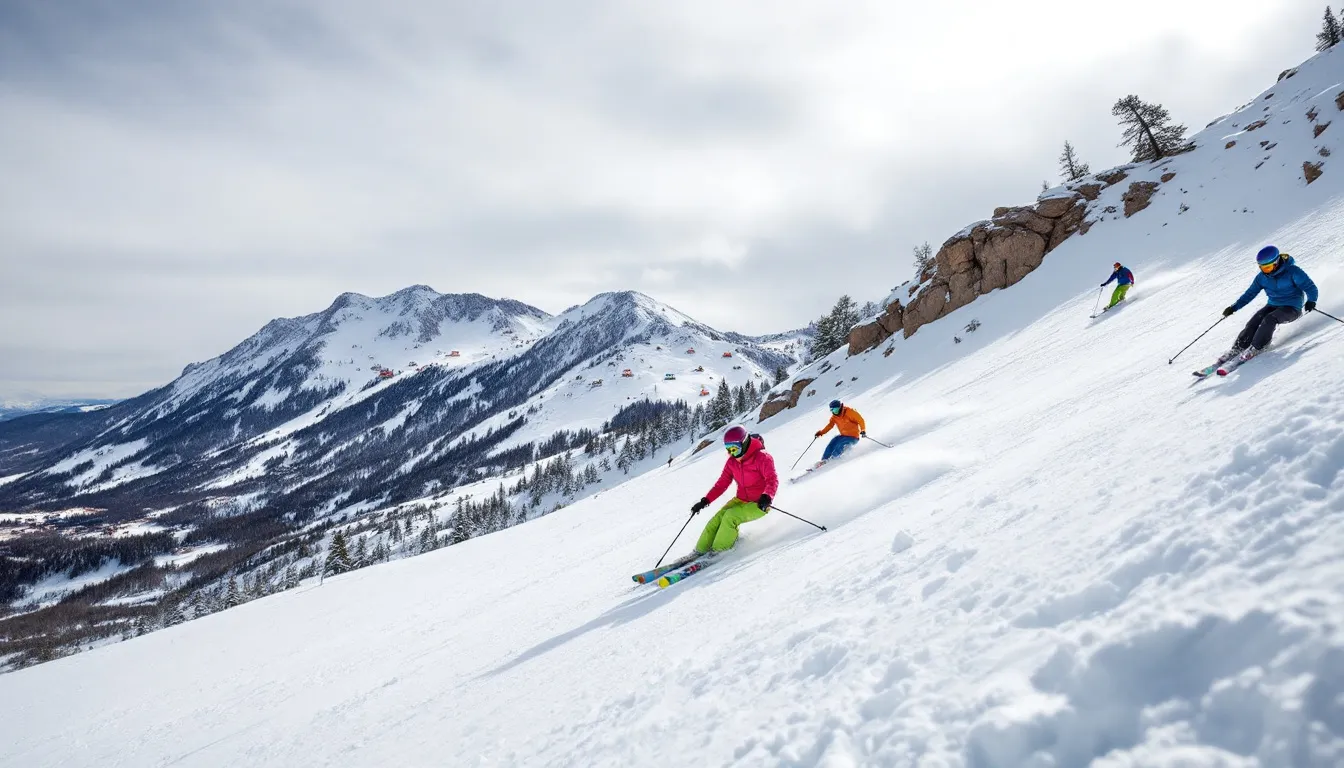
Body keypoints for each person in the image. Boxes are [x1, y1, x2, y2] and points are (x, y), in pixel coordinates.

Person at [1220, 245, 1318, 362]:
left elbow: (1310, 287)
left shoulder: (1293, 272)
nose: (1266, 271)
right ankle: (1238, 348)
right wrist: (1233, 308)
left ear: (1276, 262)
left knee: (1270, 319)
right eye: (1263, 268)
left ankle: (1257, 347)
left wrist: (1311, 300)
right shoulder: (1262, 278)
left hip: (1292, 308)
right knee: (1255, 320)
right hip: (1272, 305)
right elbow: (1249, 294)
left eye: (1268, 267)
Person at [689, 425, 778, 553]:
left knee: (730, 517)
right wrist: (705, 501)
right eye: (728, 450)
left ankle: (719, 551)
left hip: (759, 504)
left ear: (745, 443)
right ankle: (700, 551)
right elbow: (721, 484)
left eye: (734, 449)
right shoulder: (732, 462)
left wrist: (767, 496)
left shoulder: (763, 458)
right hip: (740, 500)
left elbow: (772, 479)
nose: (732, 454)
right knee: (717, 520)